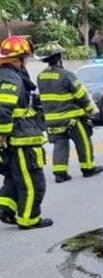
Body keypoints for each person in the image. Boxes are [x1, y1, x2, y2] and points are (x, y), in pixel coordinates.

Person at [0, 35, 52, 229]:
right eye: (25, 58)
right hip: (20, 139)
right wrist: (3, 136)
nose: (26, 62)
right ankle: (29, 219)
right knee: (33, 181)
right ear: (17, 58)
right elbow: (3, 109)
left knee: (14, 177)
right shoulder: (10, 77)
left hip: (17, 138)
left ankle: (5, 208)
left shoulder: (6, 75)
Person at [37, 42, 103, 183]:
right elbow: (81, 95)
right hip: (72, 119)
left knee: (60, 145)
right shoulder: (67, 75)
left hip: (51, 120)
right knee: (83, 142)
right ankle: (88, 169)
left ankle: (60, 174)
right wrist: (92, 110)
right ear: (60, 57)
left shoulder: (40, 77)